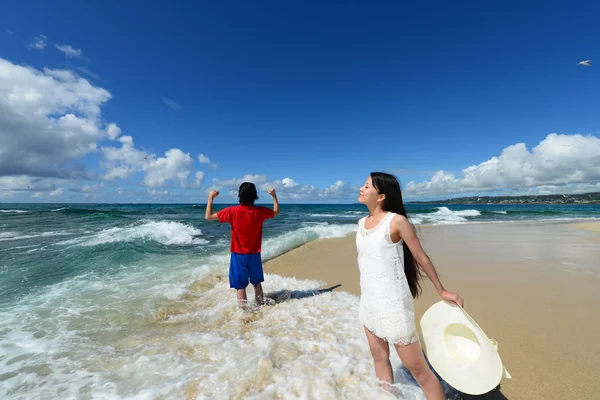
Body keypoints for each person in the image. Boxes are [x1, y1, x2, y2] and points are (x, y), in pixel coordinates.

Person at [356, 172, 464, 399]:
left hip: (393, 304)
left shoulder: (396, 221)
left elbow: (420, 257)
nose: (361, 188)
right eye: (363, 185)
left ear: (381, 196)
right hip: (369, 303)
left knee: (419, 371)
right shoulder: (361, 223)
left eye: (367, 186)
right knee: (379, 358)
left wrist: (441, 290)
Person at [205, 182, 279, 306]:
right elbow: (276, 211)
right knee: (257, 283)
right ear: (255, 195)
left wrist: (210, 197)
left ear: (239, 195)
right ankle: (260, 306)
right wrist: (274, 196)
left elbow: (208, 216)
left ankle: (244, 315)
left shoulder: (232, 211)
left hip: (238, 254)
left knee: (241, 287)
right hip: (254, 254)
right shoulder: (260, 211)